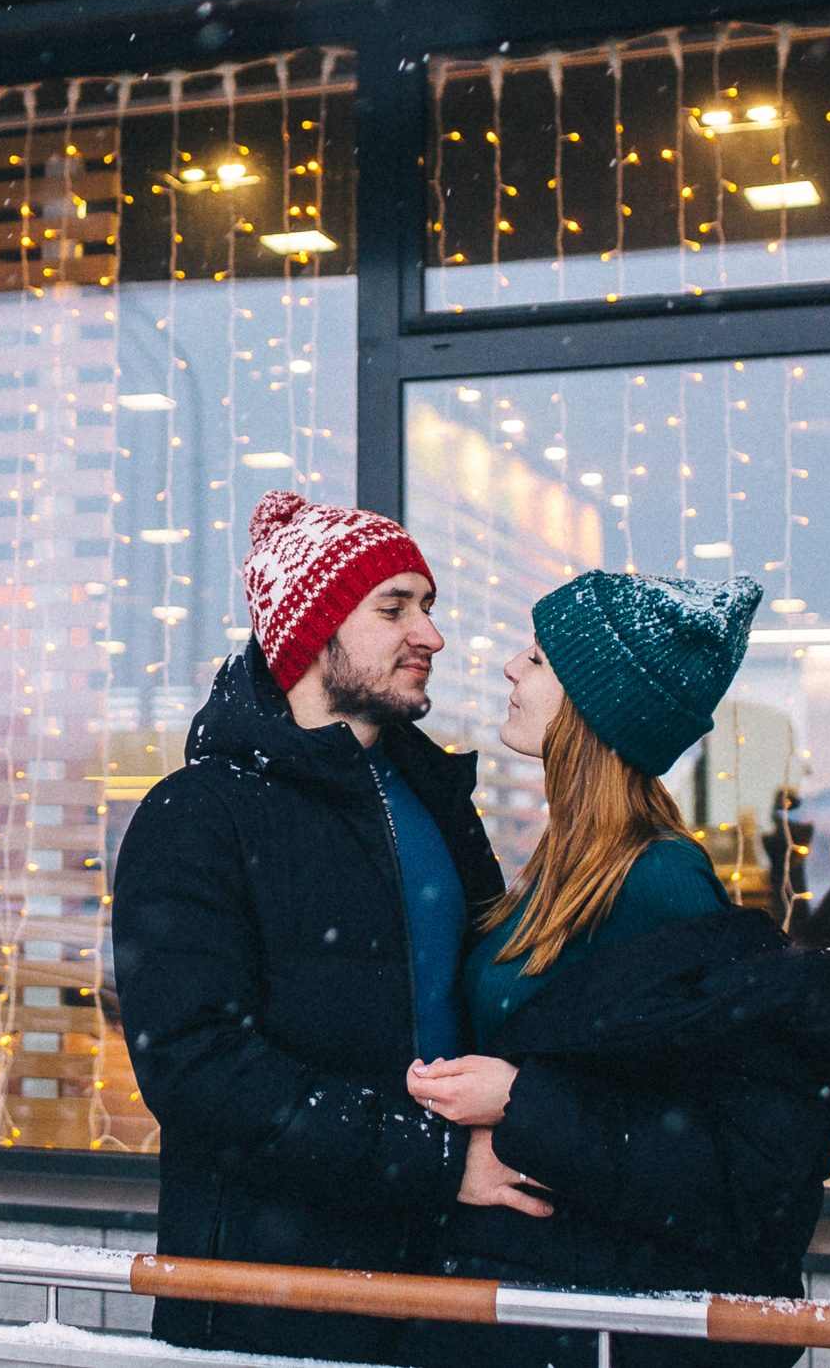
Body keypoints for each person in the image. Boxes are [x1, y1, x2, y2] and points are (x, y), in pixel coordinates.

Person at [404, 571, 830, 1368]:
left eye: (538, 660)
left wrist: (517, 1098)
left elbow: (704, 1151)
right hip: (536, 1294)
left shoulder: (660, 880)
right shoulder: (566, 866)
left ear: (594, 706)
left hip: (593, 1312)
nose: (512, 668)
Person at [113, 492, 511, 1364]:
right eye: (395, 608)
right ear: (312, 630)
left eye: (428, 606)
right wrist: (436, 1159)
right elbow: (197, 1066)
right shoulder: (200, 815)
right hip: (270, 1301)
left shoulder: (437, 803)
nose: (431, 634)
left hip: (449, 1278)